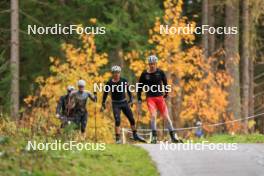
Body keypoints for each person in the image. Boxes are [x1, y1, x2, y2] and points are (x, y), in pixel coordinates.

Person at [137, 55, 182, 143]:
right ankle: (154, 137)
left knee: (166, 116)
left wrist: (166, 93)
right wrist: (139, 97)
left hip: (160, 97)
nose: (152, 65)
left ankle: (173, 136)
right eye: (150, 64)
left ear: (156, 64)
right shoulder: (144, 74)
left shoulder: (160, 72)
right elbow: (140, 86)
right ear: (148, 64)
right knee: (153, 116)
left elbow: (165, 84)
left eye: (153, 64)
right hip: (150, 98)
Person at [101, 65, 146, 144]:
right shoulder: (109, 83)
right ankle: (118, 139)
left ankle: (135, 135)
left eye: (118, 72)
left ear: (120, 73)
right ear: (112, 74)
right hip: (115, 104)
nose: (116, 74)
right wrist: (103, 103)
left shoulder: (124, 81)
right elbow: (105, 93)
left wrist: (131, 100)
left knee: (131, 119)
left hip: (124, 102)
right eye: (115, 73)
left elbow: (129, 91)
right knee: (117, 120)